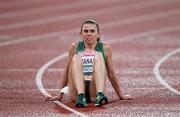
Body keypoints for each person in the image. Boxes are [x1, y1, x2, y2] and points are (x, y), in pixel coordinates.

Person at [45, 19, 132, 107]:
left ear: (98, 34)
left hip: (94, 91)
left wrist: (120, 95)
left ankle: (100, 95)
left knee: (99, 56)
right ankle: (81, 96)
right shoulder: (75, 47)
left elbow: (111, 73)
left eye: (92, 31)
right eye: (86, 31)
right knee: (76, 57)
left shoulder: (106, 49)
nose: (89, 33)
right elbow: (67, 71)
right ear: (81, 34)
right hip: (76, 93)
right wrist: (60, 95)